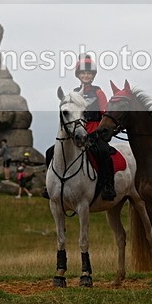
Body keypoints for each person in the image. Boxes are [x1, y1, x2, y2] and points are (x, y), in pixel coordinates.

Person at [44, 53, 116, 201]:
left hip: (95, 132)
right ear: (78, 75)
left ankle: (108, 186)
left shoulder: (99, 92)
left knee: (104, 152)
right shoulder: (74, 94)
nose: (86, 75)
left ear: (93, 75)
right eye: (83, 72)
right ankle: (50, 186)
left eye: (89, 73)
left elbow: (105, 113)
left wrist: (98, 133)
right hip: (78, 133)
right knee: (50, 152)